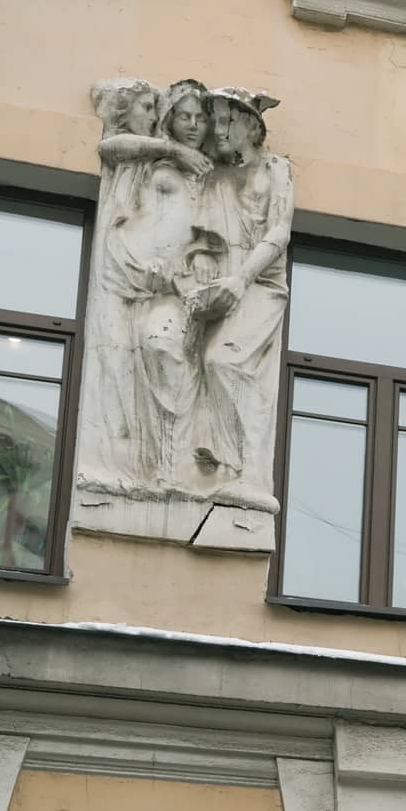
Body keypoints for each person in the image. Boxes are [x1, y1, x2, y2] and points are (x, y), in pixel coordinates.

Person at [79, 78, 211, 493]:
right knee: (120, 366)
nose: (193, 125)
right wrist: (173, 151)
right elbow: (112, 147)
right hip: (131, 275)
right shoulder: (146, 163)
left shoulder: (205, 174)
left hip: (175, 285)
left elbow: (212, 227)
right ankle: (133, 466)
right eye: (183, 116)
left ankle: (170, 468)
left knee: (163, 348)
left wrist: (204, 252)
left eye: (201, 118)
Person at [182, 86, 293, 511]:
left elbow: (278, 233)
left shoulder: (276, 169)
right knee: (203, 359)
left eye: (228, 120)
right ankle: (218, 457)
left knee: (224, 361)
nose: (219, 129)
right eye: (217, 120)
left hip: (261, 283)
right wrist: (204, 266)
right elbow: (202, 241)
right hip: (226, 283)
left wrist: (240, 280)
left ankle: (244, 471)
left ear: (251, 126)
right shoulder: (214, 177)